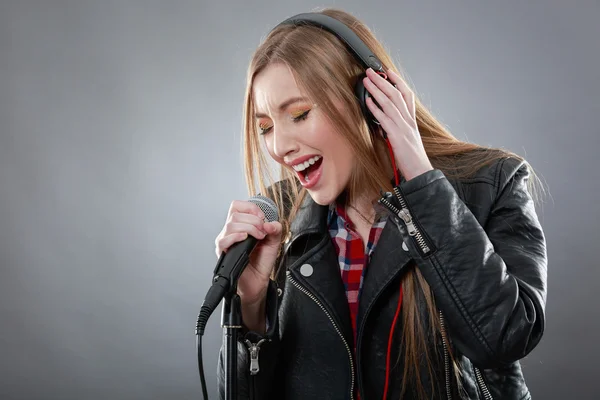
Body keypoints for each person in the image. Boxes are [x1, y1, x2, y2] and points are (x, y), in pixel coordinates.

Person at [214, 7, 547, 400]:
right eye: (266, 127)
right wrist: (249, 306)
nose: (279, 147)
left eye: (299, 115)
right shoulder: (277, 216)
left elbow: (504, 339)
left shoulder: (491, 182)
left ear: (369, 98)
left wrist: (423, 186)